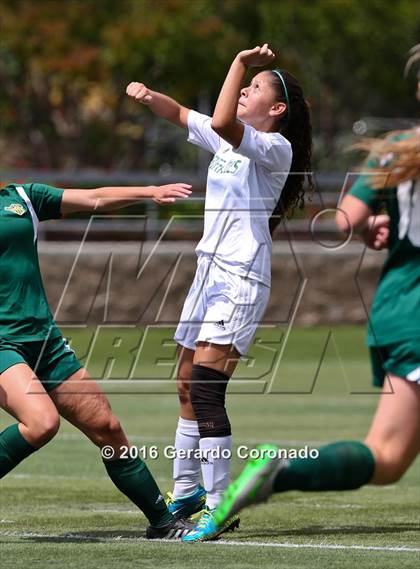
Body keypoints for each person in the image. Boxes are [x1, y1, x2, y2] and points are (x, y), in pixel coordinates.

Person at [210, 77, 420, 537]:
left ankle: (282, 473)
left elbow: (343, 221)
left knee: (387, 458)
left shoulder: (399, 151)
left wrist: (379, 224)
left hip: (401, 309)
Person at [126, 43, 313, 541]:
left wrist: (237, 63)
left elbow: (225, 119)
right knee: (186, 383)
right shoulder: (230, 142)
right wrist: (149, 98)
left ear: (276, 110)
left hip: (240, 276)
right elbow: (183, 114)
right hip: (208, 274)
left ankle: (218, 505)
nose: (246, 90)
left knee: (208, 389)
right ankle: (186, 491)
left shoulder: (275, 148)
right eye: (246, 85)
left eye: (255, 88)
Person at [0, 179, 196, 539]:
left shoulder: (22, 197)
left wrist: (147, 191)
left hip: (44, 340)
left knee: (107, 428)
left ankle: (163, 523)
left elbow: (92, 198)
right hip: (1, 345)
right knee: (41, 423)